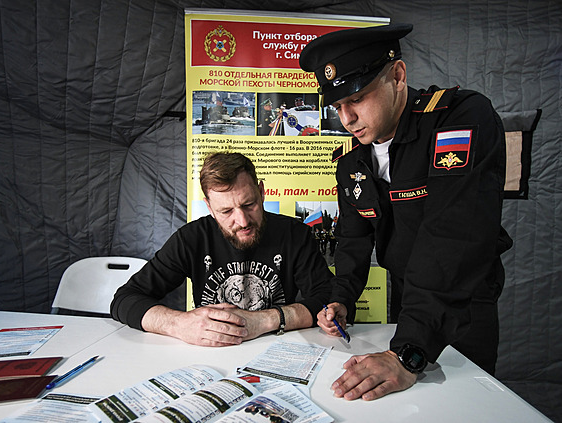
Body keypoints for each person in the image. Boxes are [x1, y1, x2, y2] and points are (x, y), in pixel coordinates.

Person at [299, 24, 512, 400]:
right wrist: (341, 300)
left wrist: (407, 352)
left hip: (462, 303)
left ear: (397, 76)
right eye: (338, 106)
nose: (346, 119)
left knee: (464, 405)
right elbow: (353, 238)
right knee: (409, 408)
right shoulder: (351, 160)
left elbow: (453, 237)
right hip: (407, 300)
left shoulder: (457, 119)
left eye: (358, 97)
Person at [110, 152, 333, 346]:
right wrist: (178, 324)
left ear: (262, 191)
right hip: (210, 355)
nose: (243, 221)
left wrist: (266, 320)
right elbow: (125, 300)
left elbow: (329, 301)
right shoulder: (192, 238)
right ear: (210, 207)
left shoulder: (293, 233)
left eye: (249, 205)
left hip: (278, 349)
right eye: (226, 211)